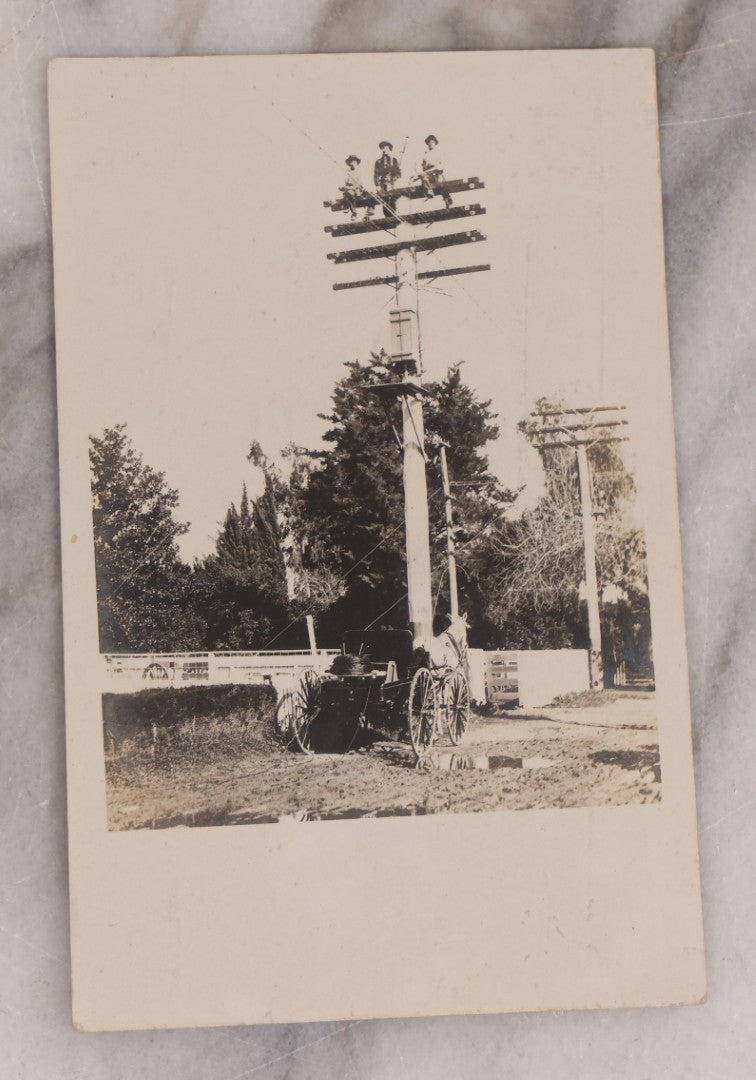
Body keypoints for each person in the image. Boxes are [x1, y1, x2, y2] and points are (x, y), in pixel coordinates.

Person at [419, 134, 452, 208]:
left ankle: (447, 200)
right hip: (428, 175)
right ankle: (429, 192)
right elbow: (423, 166)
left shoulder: (438, 153)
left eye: (432, 142)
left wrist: (434, 170)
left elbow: (440, 166)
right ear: (427, 144)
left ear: (435, 143)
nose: (430, 143)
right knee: (423, 176)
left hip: (436, 173)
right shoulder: (425, 154)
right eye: (429, 142)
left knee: (441, 183)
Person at [339, 155, 374, 221]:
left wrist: (365, 187)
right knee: (349, 193)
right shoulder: (347, 173)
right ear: (349, 164)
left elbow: (365, 183)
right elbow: (342, 185)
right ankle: (354, 213)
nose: (352, 164)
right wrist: (348, 187)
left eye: (354, 162)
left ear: (357, 163)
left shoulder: (361, 172)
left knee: (372, 193)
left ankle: (369, 211)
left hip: (360, 190)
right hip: (351, 190)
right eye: (351, 162)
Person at [373, 140, 401, 217]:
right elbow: (376, 174)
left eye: (386, 148)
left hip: (392, 183)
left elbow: (398, 173)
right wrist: (377, 185)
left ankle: (394, 214)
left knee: (392, 199)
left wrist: (395, 178)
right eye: (382, 148)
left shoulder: (393, 160)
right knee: (384, 200)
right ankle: (387, 216)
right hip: (382, 183)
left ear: (389, 149)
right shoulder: (378, 162)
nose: (384, 149)